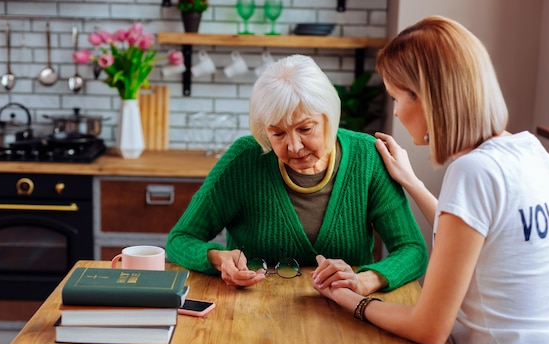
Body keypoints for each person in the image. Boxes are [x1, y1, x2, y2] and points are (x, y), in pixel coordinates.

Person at [312, 16, 549, 344]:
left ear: (428, 97)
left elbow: (430, 328)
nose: (395, 112)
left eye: (398, 97)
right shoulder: (533, 156)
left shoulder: (473, 171)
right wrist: (412, 182)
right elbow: (476, 238)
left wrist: (354, 302)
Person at [166, 54, 428, 293]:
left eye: (305, 129)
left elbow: (412, 249)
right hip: (252, 317)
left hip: (347, 314)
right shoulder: (244, 160)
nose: (294, 146)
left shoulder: (367, 158)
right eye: (278, 133)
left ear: (330, 117)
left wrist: (365, 280)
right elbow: (179, 240)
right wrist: (217, 258)